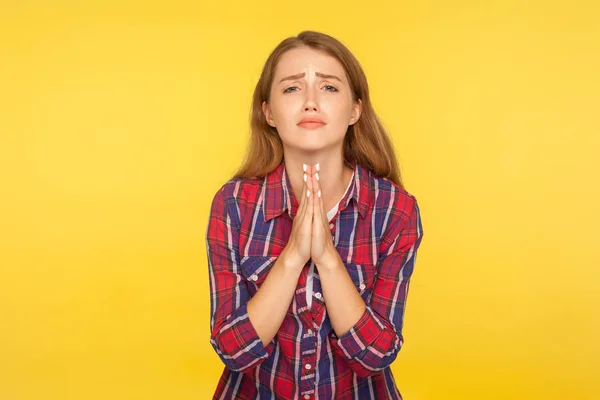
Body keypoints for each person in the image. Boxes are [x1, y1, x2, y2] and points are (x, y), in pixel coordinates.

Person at [205, 30, 424, 400]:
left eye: (328, 88)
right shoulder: (233, 205)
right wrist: (292, 256)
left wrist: (326, 257)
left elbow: (376, 355)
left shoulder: (395, 210)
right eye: (291, 88)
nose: (310, 103)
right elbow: (233, 350)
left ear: (355, 109)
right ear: (269, 112)